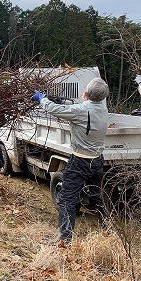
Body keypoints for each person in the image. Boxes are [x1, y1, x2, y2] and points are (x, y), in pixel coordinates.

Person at [31, 77, 110, 245]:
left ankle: (65, 239)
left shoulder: (81, 110)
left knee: (67, 198)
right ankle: (108, 228)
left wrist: (42, 99)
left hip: (80, 161)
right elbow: (82, 106)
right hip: (97, 160)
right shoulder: (103, 108)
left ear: (87, 94)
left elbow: (54, 110)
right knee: (97, 196)